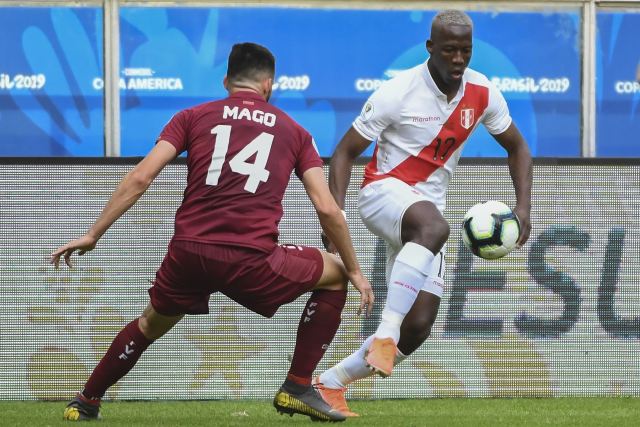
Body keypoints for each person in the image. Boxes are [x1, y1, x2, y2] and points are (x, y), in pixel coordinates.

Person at [51, 42, 373, 423]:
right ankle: (297, 386)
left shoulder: (191, 116)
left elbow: (141, 177)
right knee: (333, 274)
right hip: (252, 258)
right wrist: (353, 269)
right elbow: (327, 209)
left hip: (189, 253)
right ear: (269, 84)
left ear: (226, 81)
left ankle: (86, 400)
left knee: (149, 323)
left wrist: (93, 234)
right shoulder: (296, 132)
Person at [315, 10, 532, 416]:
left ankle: (330, 383)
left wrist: (523, 208)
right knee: (435, 227)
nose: (457, 59)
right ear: (430, 47)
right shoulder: (397, 91)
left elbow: (518, 148)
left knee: (418, 328)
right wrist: (334, 215)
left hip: (425, 215)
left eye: (465, 51)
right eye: (449, 50)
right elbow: (343, 153)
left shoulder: (482, 93)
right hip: (382, 194)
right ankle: (384, 330)